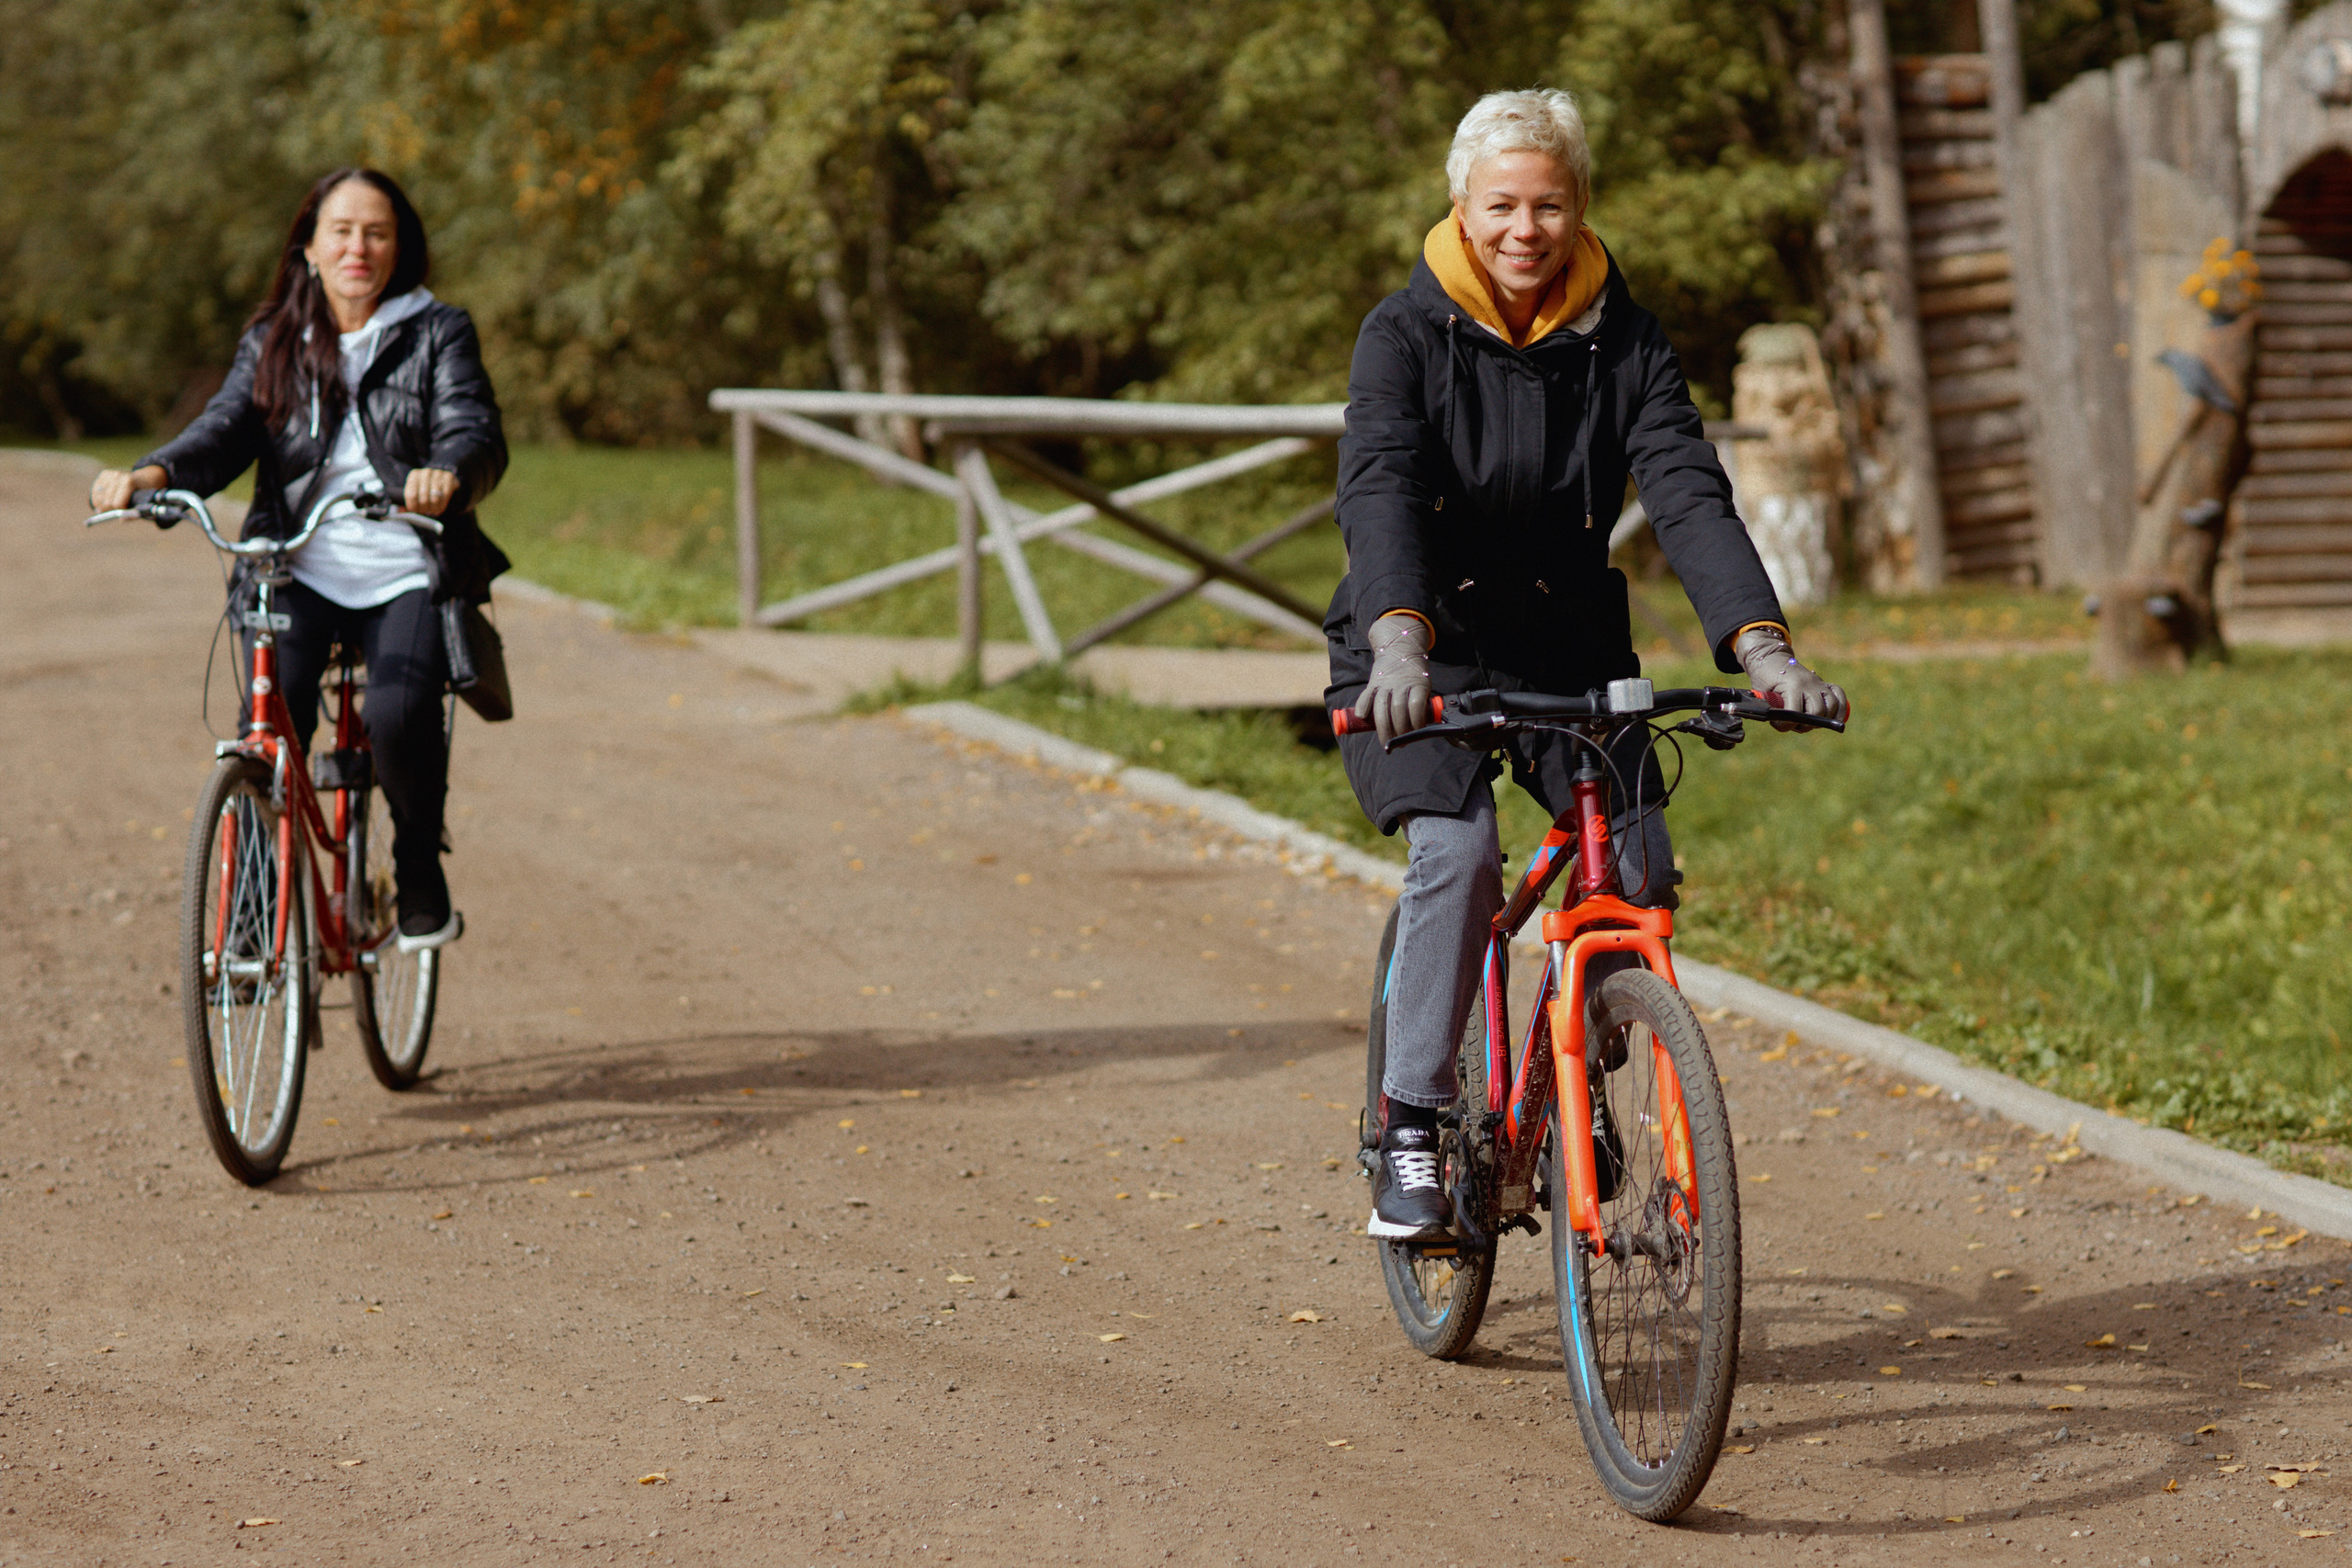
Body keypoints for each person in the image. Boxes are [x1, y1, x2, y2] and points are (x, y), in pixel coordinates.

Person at [1327, 90, 1849, 1239]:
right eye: (1501, 205)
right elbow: (1378, 488)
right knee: (1460, 858)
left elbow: (1686, 490)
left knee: (1636, 873)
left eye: (1549, 204)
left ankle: (1580, 1079)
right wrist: (1399, 637)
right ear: (1461, 208)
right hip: (1424, 649)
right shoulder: (1404, 334)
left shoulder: (1628, 339)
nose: (1525, 228)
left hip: (1568, 649)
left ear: (1579, 209)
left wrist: (1762, 648)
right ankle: (1413, 1122)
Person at [90, 167, 508, 951]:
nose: (359, 247)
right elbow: (225, 429)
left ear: (399, 247)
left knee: (397, 711)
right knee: (267, 725)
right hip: (295, 565)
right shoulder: (275, 338)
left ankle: (418, 862)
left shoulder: (437, 330)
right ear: (309, 246)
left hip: (405, 566)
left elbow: (473, 428)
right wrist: (154, 475)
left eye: (377, 232)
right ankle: (253, 903)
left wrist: (446, 474)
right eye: (342, 231)